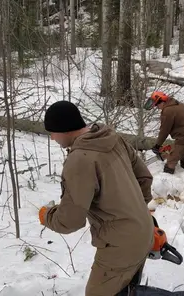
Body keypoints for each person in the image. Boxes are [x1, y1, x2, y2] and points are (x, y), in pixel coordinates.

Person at [38, 100, 155, 296]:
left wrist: (47, 216)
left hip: (120, 245)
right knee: (125, 288)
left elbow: (70, 221)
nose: (52, 138)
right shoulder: (112, 138)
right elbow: (144, 179)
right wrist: (133, 213)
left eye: (52, 132)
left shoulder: (79, 160)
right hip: (144, 229)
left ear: (64, 129)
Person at [144, 91, 184, 174]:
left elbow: (164, 130)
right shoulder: (178, 104)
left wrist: (157, 145)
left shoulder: (168, 111)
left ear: (162, 102)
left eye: (157, 105)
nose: (157, 107)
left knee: (172, 158)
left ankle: (168, 178)